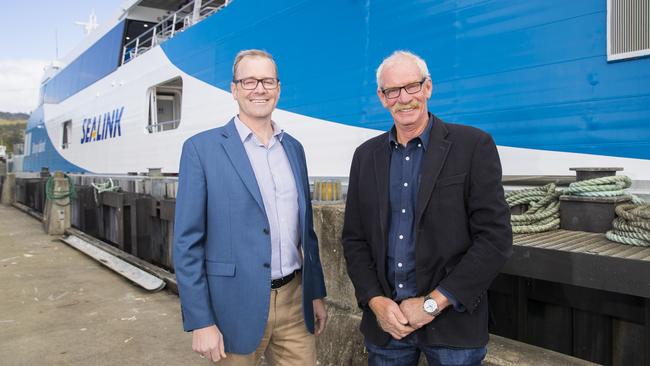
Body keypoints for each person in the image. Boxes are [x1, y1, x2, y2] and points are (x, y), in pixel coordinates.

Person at [341, 50, 513, 366]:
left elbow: (495, 239)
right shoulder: (365, 157)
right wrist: (377, 302)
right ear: (382, 97)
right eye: (392, 91)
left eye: (412, 87)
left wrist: (432, 305)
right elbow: (354, 239)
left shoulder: (473, 146)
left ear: (428, 87)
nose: (403, 98)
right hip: (388, 327)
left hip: (453, 328)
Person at [173, 49, 327, 365]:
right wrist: (201, 320)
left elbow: (305, 231)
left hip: (294, 303)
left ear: (278, 88)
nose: (259, 89)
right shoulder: (201, 150)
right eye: (249, 81)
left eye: (267, 81)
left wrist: (315, 293)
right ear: (234, 89)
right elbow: (187, 244)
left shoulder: (294, 148)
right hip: (232, 308)